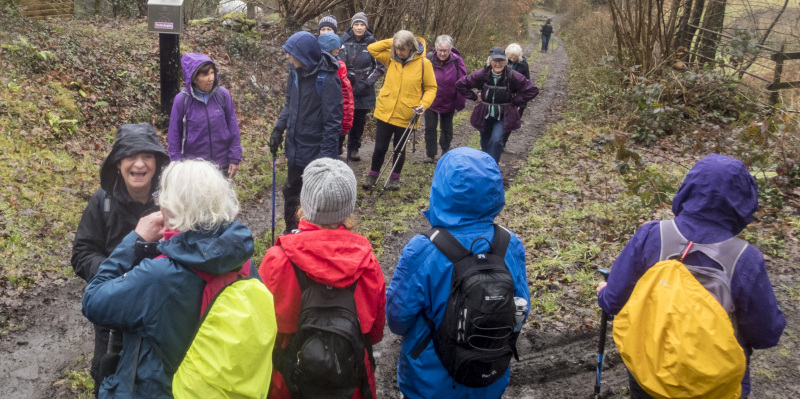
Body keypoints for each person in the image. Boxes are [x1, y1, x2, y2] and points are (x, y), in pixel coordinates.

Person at [596, 154, 786, 398]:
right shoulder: (745, 260)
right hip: (714, 385)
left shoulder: (651, 236)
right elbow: (766, 334)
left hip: (649, 374)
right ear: (744, 201)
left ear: (689, 188)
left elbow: (613, 301)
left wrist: (603, 292)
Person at [82, 159, 275, 397]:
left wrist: (135, 239)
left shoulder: (160, 276)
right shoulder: (240, 261)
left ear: (171, 208)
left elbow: (93, 300)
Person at [386, 147, 530, 399]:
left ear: (440, 188)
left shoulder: (423, 249)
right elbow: (521, 309)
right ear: (494, 189)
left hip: (428, 382)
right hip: (489, 375)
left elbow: (397, 320)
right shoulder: (510, 243)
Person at [259, 157, 386, 399]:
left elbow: (262, 331)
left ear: (305, 201)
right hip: (351, 384)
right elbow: (376, 331)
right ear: (349, 206)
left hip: (290, 384)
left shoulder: (277, 260)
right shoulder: (367, 263)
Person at [71, 123, 169, 396]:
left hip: (158, 310)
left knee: (153, 378)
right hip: (112, 311)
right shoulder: (102, 202)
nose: (139, 164)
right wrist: (114, 276)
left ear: (157, 162)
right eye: (130, 156)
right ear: (117, 163)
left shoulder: (170, 201)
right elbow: (82, 253)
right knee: (107, 371)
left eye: (147, 156)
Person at [270, 31, 343, 233]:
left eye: (290, 53)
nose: (287, 56)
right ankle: (289, 233)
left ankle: (309, 237)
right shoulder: (295, 73)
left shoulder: (327, 79)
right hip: (295, 148)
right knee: (291, 192)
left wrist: (325, 160)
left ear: (302, 55)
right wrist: (279, 128)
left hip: (315, 152)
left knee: (312, 198)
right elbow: (289, 104)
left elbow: (333, 123)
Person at [362, 30, 437, 190]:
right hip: (385, 111)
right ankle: (372, 175)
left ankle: (394, 179)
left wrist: (424, 104)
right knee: (380, 147)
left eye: (402, 49)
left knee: (399, 148)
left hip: (407, 113)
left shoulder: (424, 64)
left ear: (411, 48)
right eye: (397, 48)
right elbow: (372, 49)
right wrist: (394, 40)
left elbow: (431, 88)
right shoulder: (391, 58)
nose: (399, 52)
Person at [456, 47, 538, 163]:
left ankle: (492, 167)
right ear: (490, 61)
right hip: (485, 113)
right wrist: (475, 97)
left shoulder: (512, 75)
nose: (498, 64)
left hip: (503, 114)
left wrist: (515, 101)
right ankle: (485, 165)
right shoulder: (482, 74)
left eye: (501, 61)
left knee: (496, 141)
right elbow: (461, 84)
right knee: (485, 141)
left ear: (505, 61)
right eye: (495, 61)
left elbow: (532, 89)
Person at [167, 53, 242, 178]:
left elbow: (233, 127)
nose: (211, 78)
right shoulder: (182, 100)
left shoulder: (222, 95)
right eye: (205, 74)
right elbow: (174, 134)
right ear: (194, 78)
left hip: (221, 164)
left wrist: (235, 158)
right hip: (194, 168)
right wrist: (176, 163)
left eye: (212, 72)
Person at [339, 12, 385, 162]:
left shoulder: (373, 43)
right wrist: (345, 81)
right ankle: (338, 146)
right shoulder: (342, 41)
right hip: (344, 86)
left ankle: (353, 148)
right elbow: (337, 62)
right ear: (352, 25)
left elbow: (380, 67)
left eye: (362, 24)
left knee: (358, 121)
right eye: (356, 24)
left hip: (364, 87)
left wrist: (366, 83)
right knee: (341, 117)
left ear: (366, 26)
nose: (359, 27)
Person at [423, 35, 467, 164]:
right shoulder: (429, 59)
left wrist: (461, 100)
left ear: (450, 49)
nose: (443, 53)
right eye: (440, 50)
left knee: (446, 128)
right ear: (436, 49)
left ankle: (445, 150)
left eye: (446, 50)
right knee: (430, 127)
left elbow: (463, 81)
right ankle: (430, 154)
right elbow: (420, 77)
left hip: (449, 100)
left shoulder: (457, 61)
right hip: (431, 100)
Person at [318, 33, 355, 158]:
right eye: (336, 46)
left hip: (335, 122)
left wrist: (345, 124)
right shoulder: (327, 70)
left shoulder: (339, 67)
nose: (339, 48)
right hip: (328, 122)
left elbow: (345, 98)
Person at [503, 43, 531, 148]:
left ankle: (503, 141)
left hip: (517, 97)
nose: (512, 59)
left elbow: (526, 83)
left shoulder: (523, 64)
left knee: (511, 122)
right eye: (510, 57)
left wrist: (520, 101)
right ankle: (498, 142)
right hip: (503, 97)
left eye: (514, 57)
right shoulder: (502, 62)